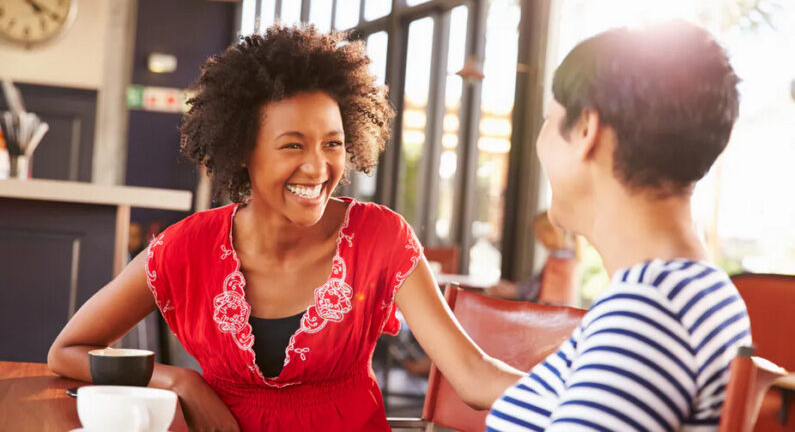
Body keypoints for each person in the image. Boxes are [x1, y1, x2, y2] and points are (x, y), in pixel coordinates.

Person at [48, 25, 523, 432]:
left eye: (332, 143)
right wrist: (179, 380)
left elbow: (472, 374)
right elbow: (68, 350)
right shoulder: (184, 247)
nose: (317, 168)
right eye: (292, 146)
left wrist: (575, 392)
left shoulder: (382, 237)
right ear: (242, 151)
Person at [487, 20, 751, 431]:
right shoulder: (694, 291)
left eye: (547, 119)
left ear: (587, 129)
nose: (540, 142)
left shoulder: (649, 311)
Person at [487, 210, 579, 305]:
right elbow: (538, 281)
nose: (538, 239)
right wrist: (514, 288)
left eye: (540, 234)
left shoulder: (561, 258)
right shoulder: (563, 254)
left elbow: (538, 287)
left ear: (551, 232)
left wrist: (513, 291)